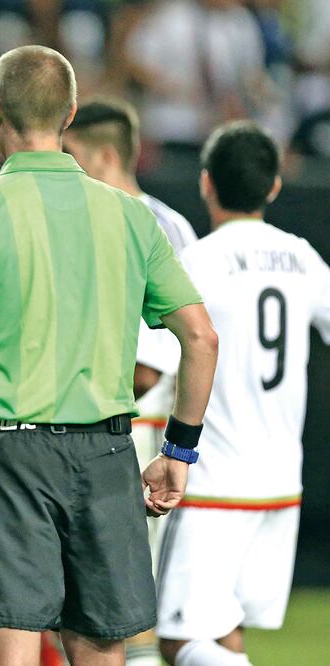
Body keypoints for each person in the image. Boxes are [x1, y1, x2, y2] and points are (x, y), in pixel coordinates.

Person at [0, 45, 219, 666]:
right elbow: (201, 338)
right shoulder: (131, 216)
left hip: (7, 457)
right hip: (107, 456)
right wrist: (178, 453)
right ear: (70, 114)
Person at [155, 121, 330, 666]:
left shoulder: (200, 262)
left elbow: (149, 367)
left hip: (213, 484)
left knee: (180, 639)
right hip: (281, 483)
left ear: (206, 183)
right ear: (274, 186)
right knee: (223, 629)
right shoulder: (300, 255)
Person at [63, 98, 198, 666]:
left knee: (117, 601)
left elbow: (156, 359)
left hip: (132, 431)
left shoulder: (150, 223)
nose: (64, 166)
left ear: (108, 154)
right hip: (101, 426)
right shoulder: (97, 217)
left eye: (72, 154)